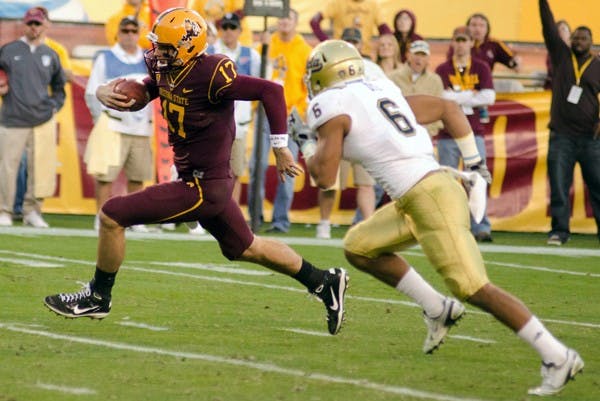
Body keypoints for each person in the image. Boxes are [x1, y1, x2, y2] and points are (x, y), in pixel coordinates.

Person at [295, 39, 583, 397]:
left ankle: (557, 356)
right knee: (359, 247)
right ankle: (437, 308)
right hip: (421, 193)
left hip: (429, 196)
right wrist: (475, 162)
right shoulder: (379, 89)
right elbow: (448, 109)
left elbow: (323, 177)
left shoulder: (332, 105)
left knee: (475, 288)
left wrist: (306, 145)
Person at [43, 8, 349, 337]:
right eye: (158, 46)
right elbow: (150, 87)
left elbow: (271, 91)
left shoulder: (212, 73)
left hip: (204, 185)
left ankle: (98, 296)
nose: (158, 53)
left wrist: (279, 146)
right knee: (245, 248)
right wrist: (105, 91)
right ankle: (324, 281)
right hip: (198, 180)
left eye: (166, 47)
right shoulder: (167, 66)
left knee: (112, 215)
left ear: (188, 47)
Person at [84, 16, 154, 233]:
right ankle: (101, 215)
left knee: (138, 176)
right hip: (113, 126)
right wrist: (102, 119)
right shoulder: (106, 57)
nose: (130, 34)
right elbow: (91, 92)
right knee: (106, 177)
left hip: (141, 127)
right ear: (118, 32)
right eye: (126, 30)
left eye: (134, 30)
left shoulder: (148, 58)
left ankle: (134, 218)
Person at [540, 0, 600, 245]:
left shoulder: (598, 66)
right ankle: (560, 231)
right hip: (561, 135)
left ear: (592, 43)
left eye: (583, 38)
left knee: (598, 187)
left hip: (590, 138)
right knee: (559, 186)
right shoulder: (561, 56)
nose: (577, 41)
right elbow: (548, 27)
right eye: (575, 37)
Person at [0, 6, 66, 228]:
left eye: (38, 23)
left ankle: (33, 211)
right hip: (13, 119)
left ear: (46, 25)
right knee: (7, 167)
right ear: (24, 24)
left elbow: (59, 87)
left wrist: (54, 106)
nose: (34, 28)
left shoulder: (52, 54)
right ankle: (4, 211)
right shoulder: (9, 50)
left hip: (42, 120)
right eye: (30, 23)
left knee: (41, 169)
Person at [315, 27, 384, 238]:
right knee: (330, 181)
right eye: (348, 41)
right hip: (338, 130)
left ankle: (370, 225)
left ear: (361, 44)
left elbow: (382, 95)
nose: (352, 45)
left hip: (365, 130)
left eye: (355, 41)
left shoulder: (372, 68)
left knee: (366, 183)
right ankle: (324, 223)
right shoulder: (330, 67)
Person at [247, 8, 311, 234]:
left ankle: (280, 221)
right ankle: (255, 217)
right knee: (257, 166)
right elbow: (256, 77)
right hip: (266, 112)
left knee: (288, 169)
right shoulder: (266, 45)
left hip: (292, 116)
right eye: (282, 18)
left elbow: (309, 87)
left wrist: (300, 111)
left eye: (289, 18)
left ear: (296, 22)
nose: (284, 22)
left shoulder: (305, 51)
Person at [435, 26, 496, 242]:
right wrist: (471, 95)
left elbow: (489, 97)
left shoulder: (481, 67)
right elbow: (438, 96)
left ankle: (481, 226)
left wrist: (457, 97)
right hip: (447, 134)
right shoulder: (442, 69)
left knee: (477, 179)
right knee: (448, 182)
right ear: (452, 42)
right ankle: (452, 224)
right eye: (457, 39)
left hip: (473, 132)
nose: (461, 44)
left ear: (472, 43)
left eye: (464, 40)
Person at [207, 13, 260, 206]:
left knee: (235, 171)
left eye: (232, 27)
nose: (228, 32)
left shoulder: (251, 55)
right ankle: (209, 211)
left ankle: (232, 212)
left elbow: (261, 85)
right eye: (225, 27)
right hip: (213, 124)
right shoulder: (210, 52)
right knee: (211, 171)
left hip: (239, 124)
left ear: (239, 31)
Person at [389, 40, 444, 137]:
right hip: (397, 134)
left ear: (428, 59)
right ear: (408, 56)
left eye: (423, 55)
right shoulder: (392, 77)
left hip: (425, 134)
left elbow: (439, 110)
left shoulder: (435, 81)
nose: (419, 59)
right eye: (416, 54)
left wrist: (430, 131)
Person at [309, 0, 392, 59]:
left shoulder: (373, 4)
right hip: (341, 53)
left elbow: (384, 28)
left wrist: (388, 44)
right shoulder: (337, 3)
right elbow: (314, 21)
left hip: (364, 53)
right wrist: (327, 42)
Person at [543, 19, 571, 90]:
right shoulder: (552, 51)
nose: (561, 32)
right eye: (558, 30)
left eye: (564, 29)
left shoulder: (576, 50)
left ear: (570, 33)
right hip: (556, 87)